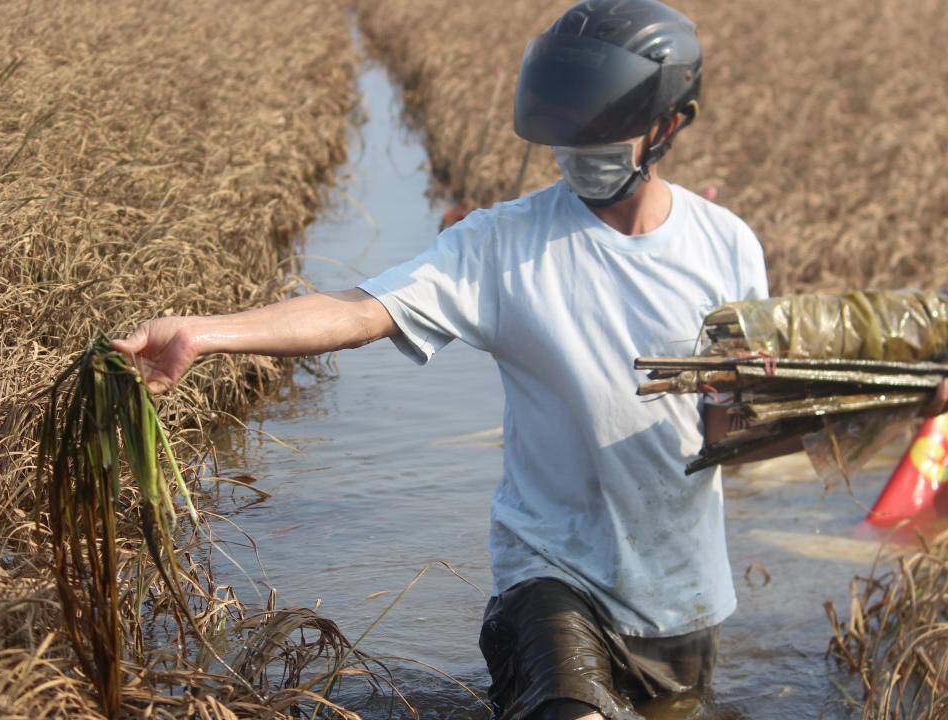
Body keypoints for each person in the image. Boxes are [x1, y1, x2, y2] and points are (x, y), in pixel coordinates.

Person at [113, 1, 948, 717]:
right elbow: (359, 310)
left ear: (670, 126)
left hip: (683, 598)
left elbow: (723, 432)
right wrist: (209, 331)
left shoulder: (727, 246)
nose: (583, 147)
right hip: (551, 578)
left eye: (606, 129)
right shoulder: (501, 246)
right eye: (569, 132)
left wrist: (878, 406)